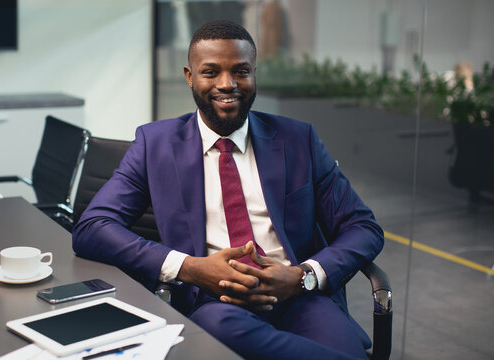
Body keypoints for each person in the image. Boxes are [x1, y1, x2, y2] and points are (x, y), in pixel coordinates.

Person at [73, 19, 384, 360]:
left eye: (241, 71)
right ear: (190, 76)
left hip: (300, 297)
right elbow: (92, 228)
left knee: (337, 341)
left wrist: (302, 276)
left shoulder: (299, 139)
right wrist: (191, 268)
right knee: (221, 332)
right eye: (211, 72)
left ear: (254, 74)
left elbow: (363, 227)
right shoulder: (155, 144)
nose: (227, 84)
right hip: (214, 302)